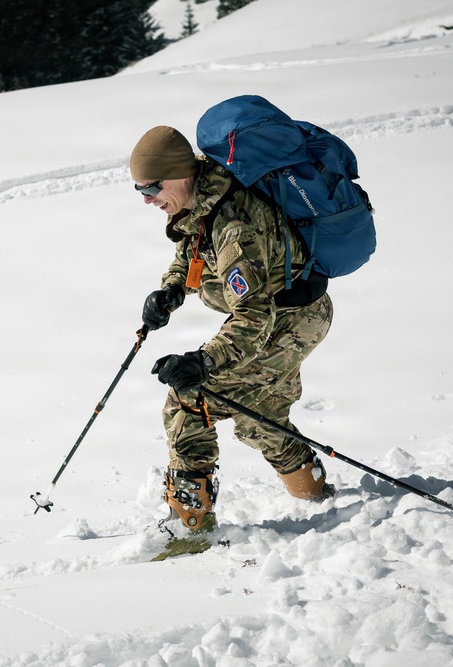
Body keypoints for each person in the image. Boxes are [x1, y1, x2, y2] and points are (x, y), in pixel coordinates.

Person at [130, 125, 335, 557]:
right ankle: (316, 496)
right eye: (139, 190)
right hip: (287, 316)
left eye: (151, 187)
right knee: (261, 412)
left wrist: (203, 363)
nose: (147, 199)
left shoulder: (235, 227)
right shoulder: (204, 196)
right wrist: (171, 290)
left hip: (288, 323)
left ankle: (191, 525)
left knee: (190, 400)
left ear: (178, 175)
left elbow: (254, 316)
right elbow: (192, 249)